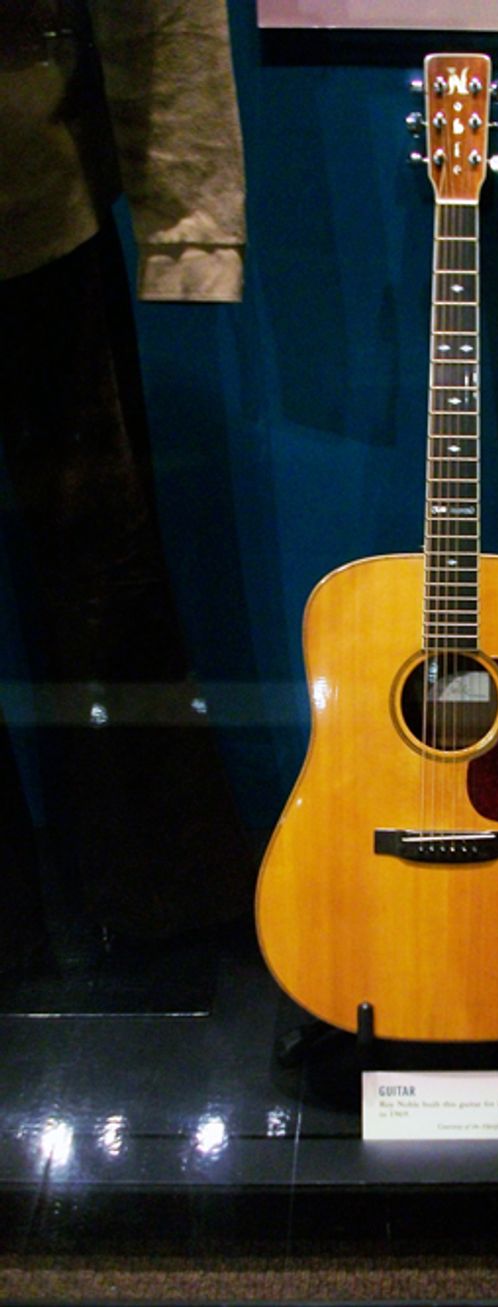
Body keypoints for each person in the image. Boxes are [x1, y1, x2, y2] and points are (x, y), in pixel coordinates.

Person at [0, 1, 251, 974]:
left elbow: (162, 7)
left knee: (104, 579)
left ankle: (157, 898)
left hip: (35, 202)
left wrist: (190, 218)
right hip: (40, 188)